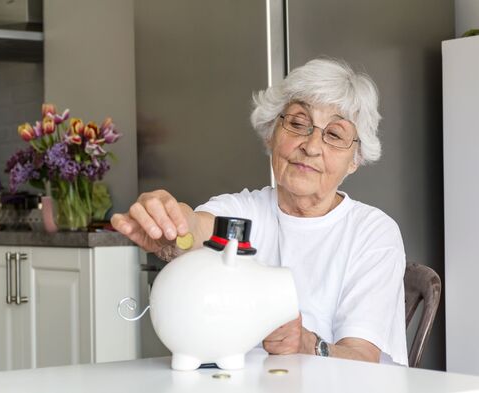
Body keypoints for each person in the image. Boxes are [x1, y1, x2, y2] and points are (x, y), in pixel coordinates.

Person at [111, 58, 407, 366]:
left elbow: (363, 360)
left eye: (334, 135)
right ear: (271, 133)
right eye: (297, 123)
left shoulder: (373, 232)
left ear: (355, 159)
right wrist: (171, 223)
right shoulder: (243, 211)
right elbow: (195, 230)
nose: (311, 146)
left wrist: (306, 343)